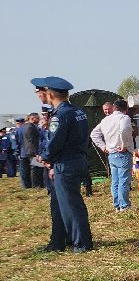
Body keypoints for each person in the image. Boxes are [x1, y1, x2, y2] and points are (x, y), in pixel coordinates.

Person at [33, 77, 94, 252]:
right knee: (66, 203)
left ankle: (82, 243)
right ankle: (66, 240)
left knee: (70, 205)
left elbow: (55, 143)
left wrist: (44, 157)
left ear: (50, 94)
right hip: (77, 160)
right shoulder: (77, 111)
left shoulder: (61, 115)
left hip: (65, 164)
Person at [92, 97, 137, 211]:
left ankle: (117, 204)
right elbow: (125, 129)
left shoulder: (105, 120)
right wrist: (125, 144)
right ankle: (124, 205)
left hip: (111, 153)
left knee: (115, 181)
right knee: (124, 181)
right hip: (122, 152)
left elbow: (94, 134)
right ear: (125, 109)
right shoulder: (124, 117)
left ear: (114, 107)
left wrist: (103, 146)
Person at [17, 113, 42, 189]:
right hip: (32, 150)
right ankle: (36, 185)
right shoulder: (31, 127)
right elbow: (31, 141)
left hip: (24, 150)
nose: (38, 120)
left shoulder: (21, 127)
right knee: (36, 168)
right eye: (37, 118)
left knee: (25, 170)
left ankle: (26, 185)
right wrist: (36, 152)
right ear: (32, 118)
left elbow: (19, 140)